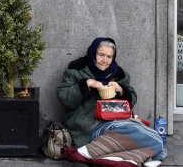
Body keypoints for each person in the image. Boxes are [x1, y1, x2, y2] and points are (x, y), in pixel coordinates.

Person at [56, 38, 167, 166]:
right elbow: (64, 98)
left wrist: (120, 90)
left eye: (109, 57)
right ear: (93, 54)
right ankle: (117, 155)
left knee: (155, 138)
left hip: (116, 121)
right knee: (152, 142)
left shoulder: (118, 74)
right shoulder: (76, 71)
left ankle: (97, 154)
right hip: (89, 125)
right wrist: (87, 84)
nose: (105, 61)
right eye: (101, 55)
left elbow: (133, 99)